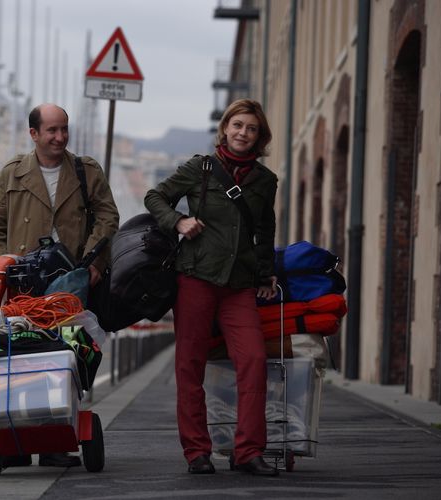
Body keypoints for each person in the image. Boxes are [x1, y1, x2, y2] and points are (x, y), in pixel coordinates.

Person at [144, 98, 280, 476]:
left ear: (259, 136)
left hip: (238, 285)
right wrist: (178, 221)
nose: (243, 133)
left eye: (251, 128)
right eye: (237, 125)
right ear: (225, 128)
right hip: (196, 279)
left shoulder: (265, 181)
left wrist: (266, 274)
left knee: (253, 361)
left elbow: (264, 230)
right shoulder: (200, 169)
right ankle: (196, 452)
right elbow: (154, 197)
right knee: (190, 366)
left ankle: (249, 451)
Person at [0, 103, 119, 468]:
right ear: (34, 134)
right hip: (22, 281)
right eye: (51, 131)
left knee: (63, 356)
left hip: (72, 279)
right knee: (21, 357)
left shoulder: (86, 171)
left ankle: (57, 442)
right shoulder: (13, 174)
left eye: (64, 129)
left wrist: (94, 262)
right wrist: (0, 265)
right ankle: (19, 441)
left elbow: (107, 218)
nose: (60, 137)